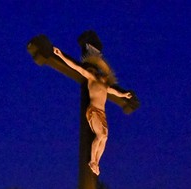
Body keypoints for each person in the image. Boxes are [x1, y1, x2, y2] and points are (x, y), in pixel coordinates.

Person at [52, 45, 132, 175]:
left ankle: (96, 162)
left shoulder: (105, 86)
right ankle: (92, 161)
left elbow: (115, 91)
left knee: (104, 137)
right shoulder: (92, 78)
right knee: (100, 135)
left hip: (102, 114)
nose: (106, 77)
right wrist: (60, 55)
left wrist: (124, 95)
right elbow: (76, 67)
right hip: (94, 110)